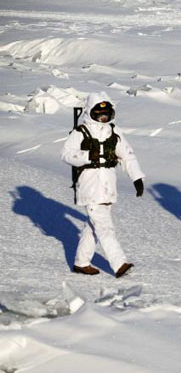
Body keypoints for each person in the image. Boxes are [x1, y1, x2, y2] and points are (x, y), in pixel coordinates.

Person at [61, 92, 145, 278]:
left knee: (93, 226)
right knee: (105, 227)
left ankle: (81, 263)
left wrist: (137, 178)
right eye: (99, 113)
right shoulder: (80, 132)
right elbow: (66, 154)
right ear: (91, 112)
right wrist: (84, 156)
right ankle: (119, 263)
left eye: (106, 113)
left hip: (108, 184)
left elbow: (128, 156)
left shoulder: (113, 131)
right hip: (89, 186)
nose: (103, 116)